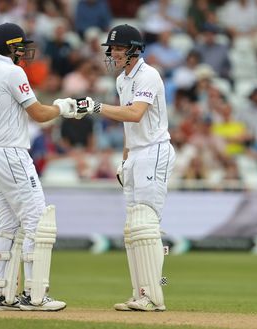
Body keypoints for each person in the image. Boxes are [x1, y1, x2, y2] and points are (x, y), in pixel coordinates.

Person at [72, 24, 176, 311]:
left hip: (154, 152)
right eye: (112, 48)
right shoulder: (122, 80)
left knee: (147, 226)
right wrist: (124, 159)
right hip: (136, 155)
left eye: (118, 48)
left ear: (133, 50)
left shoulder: (149, 75)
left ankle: (156, 292)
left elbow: (135, 113)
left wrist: (95, 107)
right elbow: (130, 127)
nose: (113, 53)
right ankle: (141, 292)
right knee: (132, 229)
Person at [0, 22, 75, 312]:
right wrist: (63, 107)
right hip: (11, 152)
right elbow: (38, 114)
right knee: (37, 220)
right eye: (20, 45)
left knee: (7, 225)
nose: (23, 50)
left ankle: (0, 293)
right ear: (9, 47)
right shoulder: (12, 71)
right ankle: (34, 296)